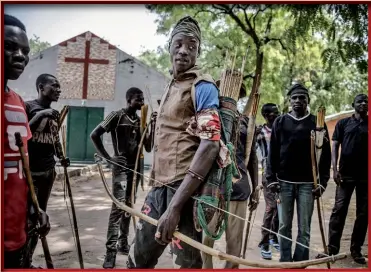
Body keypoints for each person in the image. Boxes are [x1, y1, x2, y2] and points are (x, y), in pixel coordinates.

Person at [127, 16, 222, 269]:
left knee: (188, 266)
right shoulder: (173, 83)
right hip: (159, 187)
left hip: (184, 191)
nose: (184, 51)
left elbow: (210, 144)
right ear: (169, 47)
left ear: (198, 52)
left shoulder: (202, 85)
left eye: (192, 46)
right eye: (179, 44)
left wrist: (175, 208)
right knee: (138, 260)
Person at [90, 87, 155, 268]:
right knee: (118, 208)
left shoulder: (141, 121)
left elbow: (148, 147)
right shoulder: (116, 116)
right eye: (138, 99)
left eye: (142, 99)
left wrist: (153, 126)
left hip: (135, 171)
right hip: (121, 169)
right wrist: (108, 158)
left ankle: (123, 243)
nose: (142, 102)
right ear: (129, 100)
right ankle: (110, 252)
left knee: (128, 207)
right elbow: (94, 134)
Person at [4, 14, 50, 269]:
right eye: (9, 46)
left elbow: (22, 166)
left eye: (25, 50)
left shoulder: (18, 103)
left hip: (15, 232)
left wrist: (33, 208)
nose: (20, 55)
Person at [266, 83, 331, 262]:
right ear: (289, 100)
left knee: (305, 228)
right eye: (294, 98)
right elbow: (272, 153)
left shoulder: (317, 123)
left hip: (308, 184)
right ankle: (285, 262)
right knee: (284, 225)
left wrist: (322, 182)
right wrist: (271, 179)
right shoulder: (280, 121)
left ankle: (300, 262)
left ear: (308, 100)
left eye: (302, 97)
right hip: (283, 182)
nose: (297, 101)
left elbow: (325, 156)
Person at [202, 82, 259, 269]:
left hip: (239, 188)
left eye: (236, 94)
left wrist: (256, 188)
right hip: (210, 187)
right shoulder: (207, 115)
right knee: (205, 242)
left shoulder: (246, 122)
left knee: (234, 245)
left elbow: (252, 158)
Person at [317, 94, 368, 264]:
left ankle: (356, 249)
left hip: (366, 177)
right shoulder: (343, 123)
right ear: (353, 104)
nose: (363, 103)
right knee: (339, 210)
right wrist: (335, 168)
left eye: (366, 101)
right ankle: (332, 248)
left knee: (364, 213)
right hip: (345, 175)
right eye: (360, 101)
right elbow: (335, 145)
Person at [24, 74, 66, 268]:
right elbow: (22, 134)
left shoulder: (55, 113)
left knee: (41, 218)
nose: (58, 89)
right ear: (41, 87)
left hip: (48, 171)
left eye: (59, 87)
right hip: (29, 172)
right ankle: (18, 261)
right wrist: (41, 115)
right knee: (27, 218)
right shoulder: (29, 107)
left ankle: (28, 259)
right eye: (54, 86)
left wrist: (61, 156)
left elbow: (54, 138)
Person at [256, 103, 280, 260]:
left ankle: (273, 236)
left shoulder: (282, 128)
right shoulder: (260, 132)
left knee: (279, 207)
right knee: (271, 207)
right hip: (268, 173)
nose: (277, 115)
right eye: (273, 113)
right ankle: (264, 242)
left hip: (283, 173)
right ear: (265, 115)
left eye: (278, 112)